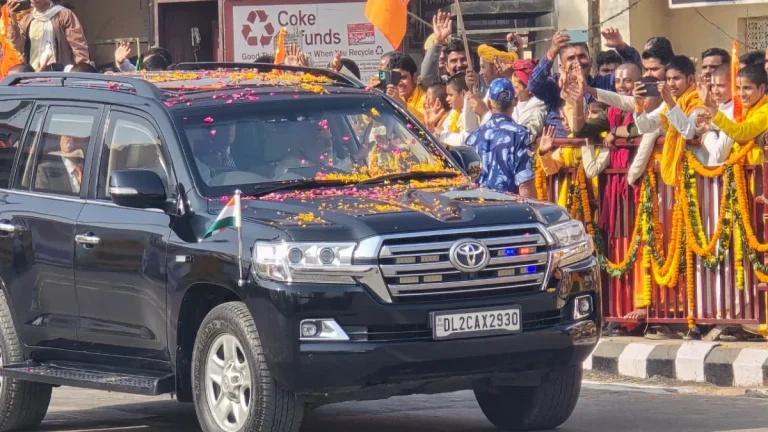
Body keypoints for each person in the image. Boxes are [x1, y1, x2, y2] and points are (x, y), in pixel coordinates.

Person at [528, 27, 640, 137]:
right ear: (562, 67)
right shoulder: (555, 87)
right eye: (571, 58)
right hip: (560, 151)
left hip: (598, 152)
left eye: (582, 56)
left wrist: (620, 46)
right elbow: (534, 84)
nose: (577, 62)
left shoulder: (602, 85)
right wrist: (551, 53)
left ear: (591, 62)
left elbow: (634, 70)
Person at [634, 55, 706, 185]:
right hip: (680, 171)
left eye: (676, 78)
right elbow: (645, 127)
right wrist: (639, 107)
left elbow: (689, 132)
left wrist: (671, 103)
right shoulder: (668, 103)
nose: (671, 84)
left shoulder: (698, 100)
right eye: (668, 79)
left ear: (690, 79)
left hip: (699, 170)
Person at [466, 77, 534, 197]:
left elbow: (471, 180)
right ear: (515, 101)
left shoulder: (473, 137)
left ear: (488, 104)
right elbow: (525, 183)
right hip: (508, 209)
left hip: (479, 206)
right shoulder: (519, 134)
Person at [703, 64, 768, 163]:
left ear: (762, 89)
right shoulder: (746, 109)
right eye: (738, 88)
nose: (741, 94)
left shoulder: (765, 111)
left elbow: (741, 132)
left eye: (747, 88)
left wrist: (710, 106)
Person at [6, 0, 88, 71]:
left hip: (59, 73)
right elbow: (17, 46)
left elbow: (78, 45)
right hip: (34, 73)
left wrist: (82, 70)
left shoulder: (64, 14)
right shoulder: (27, 18)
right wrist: (13, 21)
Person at [433, 72, 479, 147]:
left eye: (450, 95)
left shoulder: (473, 112)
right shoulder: (454, 111)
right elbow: (442, 140)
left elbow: (466, 140)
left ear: (463, 94)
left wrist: (442, 134)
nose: (447, 99)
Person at [385, 53, 427, 123]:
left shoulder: (427, 99)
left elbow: (425, 125)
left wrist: (400, 102)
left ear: (414, 77)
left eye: (403, 77)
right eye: (396, 78)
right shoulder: (392, 97)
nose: (399, 83)